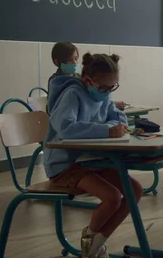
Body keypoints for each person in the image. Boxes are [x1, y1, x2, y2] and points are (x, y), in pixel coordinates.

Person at [44, 53, 142, 258]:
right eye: (104, 88)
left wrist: (116, 125)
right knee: (112, 197)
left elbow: (117, 117)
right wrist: (106, 130)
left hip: (91, 161)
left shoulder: (103, 94)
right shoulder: (72, 94)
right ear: (87, 80)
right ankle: (89, 241)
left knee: (134, 190)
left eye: (112, 88)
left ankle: (96, 244)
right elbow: (66, 128)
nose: (107, 93)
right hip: (65, 166)